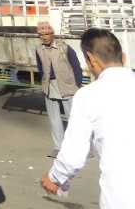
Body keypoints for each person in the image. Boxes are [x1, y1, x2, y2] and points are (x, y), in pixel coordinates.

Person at [41, 29, 135, 208]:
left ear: (91, 60)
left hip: (122, 197)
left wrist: (54, 177)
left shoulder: (88, 96)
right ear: (123, 57)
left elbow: (74, 155)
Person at [35, 21, 83, 157]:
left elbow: (76, 66)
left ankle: (81, 147)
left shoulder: (64, 48)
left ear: (52, 34)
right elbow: (40, 67)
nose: (44, 37)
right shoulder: (39, 49)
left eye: (46, 34)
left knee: (73, 118)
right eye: (41, 35)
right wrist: (43, 82)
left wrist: (77, 85)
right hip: (49, 87)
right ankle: (58, 147)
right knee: (54, 119)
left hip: (67, 86)